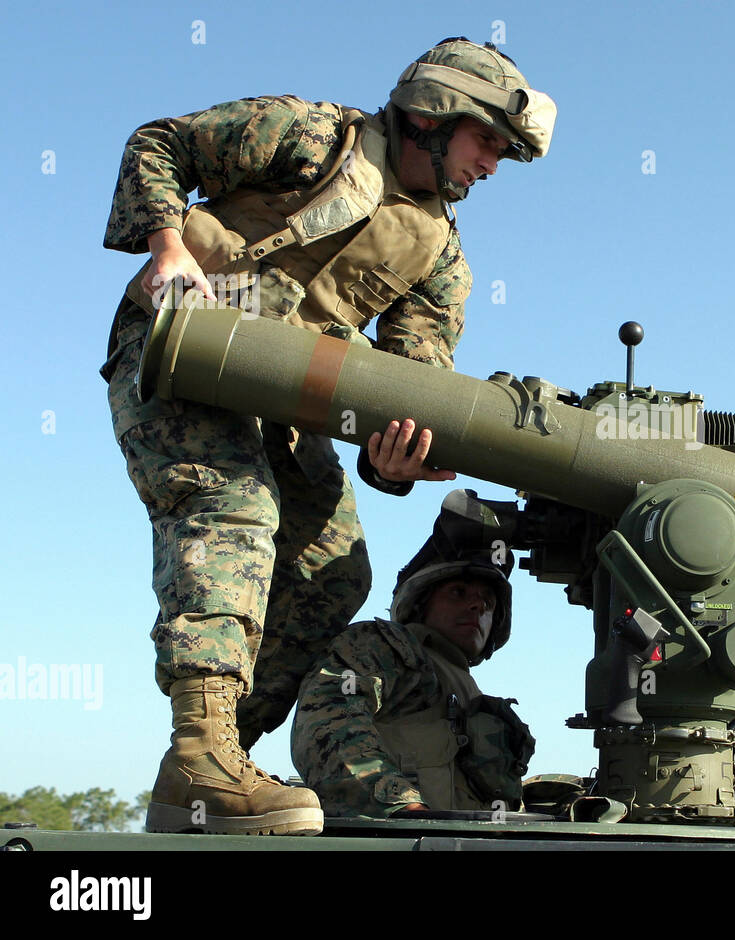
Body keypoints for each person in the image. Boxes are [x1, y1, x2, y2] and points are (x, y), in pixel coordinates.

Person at [100, 38, 554, 835]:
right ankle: (201, 748)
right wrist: (167, 248)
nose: (493, 165)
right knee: (232, 507)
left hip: (286, 406)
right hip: (182, 352)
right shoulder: (313, 138)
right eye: (490, 142)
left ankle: (215, 767)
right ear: (437, 114)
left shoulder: (441, 256)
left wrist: (399, 461)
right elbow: (160, 143)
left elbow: (413, 385)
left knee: (331, 576)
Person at [291, 536, 534, 818]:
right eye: (458, 592)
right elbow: (328, 722)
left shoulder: (468, 690)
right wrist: (400, 806)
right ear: (421, 602)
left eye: (488, 603)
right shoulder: (386, 645)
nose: (477, 606)